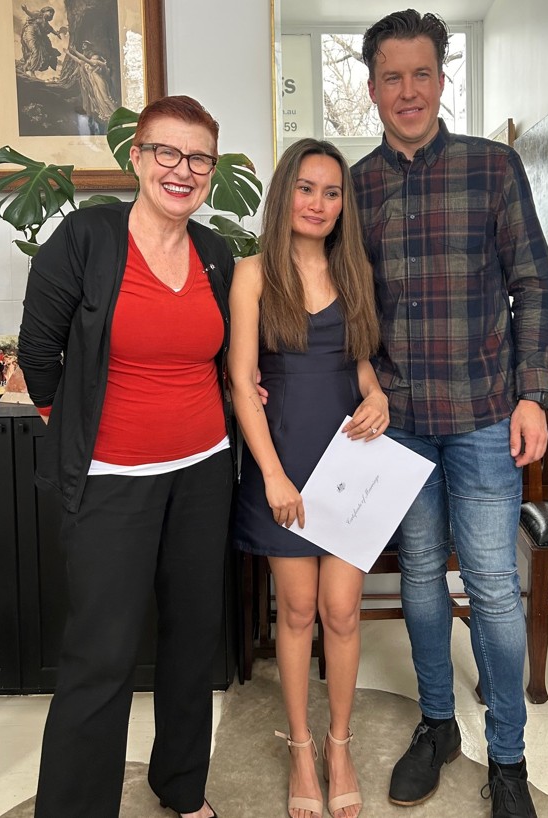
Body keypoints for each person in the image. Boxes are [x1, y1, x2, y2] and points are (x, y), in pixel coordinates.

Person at [351, 10, 548, 818]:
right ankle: (437, 724)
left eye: (421, 74)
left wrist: (533, 394)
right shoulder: (356, 187)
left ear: (442, 80)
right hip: (398, 422)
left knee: (494, 588)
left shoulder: (494, 168)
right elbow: (344, 306)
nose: (408, 91)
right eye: (391, 77)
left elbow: (532, 285)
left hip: (483, 414)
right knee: (421, 579)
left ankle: (507, 759)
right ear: (372, 89)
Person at [18, 95, 234, 818]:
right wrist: (74, 426)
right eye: (167, 152)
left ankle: (181, 785)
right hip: (111, 479)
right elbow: (39, 352)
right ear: (136, 157)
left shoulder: (214, 253)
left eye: (198, 158)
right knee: (101, 654)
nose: (183, 170)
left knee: (193, 640)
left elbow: (221, 353)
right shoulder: (88, 237)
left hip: (204, 471)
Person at [228, 138, 389, 818]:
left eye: (331, 192)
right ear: (284, 194)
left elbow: (359, 361)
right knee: (295, 612)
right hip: (285, 461)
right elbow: (242, 382)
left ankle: (338, 745)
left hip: (350, 460)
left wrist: (377, 394)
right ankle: (300, 747)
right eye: (306, 188)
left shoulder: (355, 271)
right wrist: (271, 475)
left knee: (342, 612)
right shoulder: (252, 274)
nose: (318, 203)